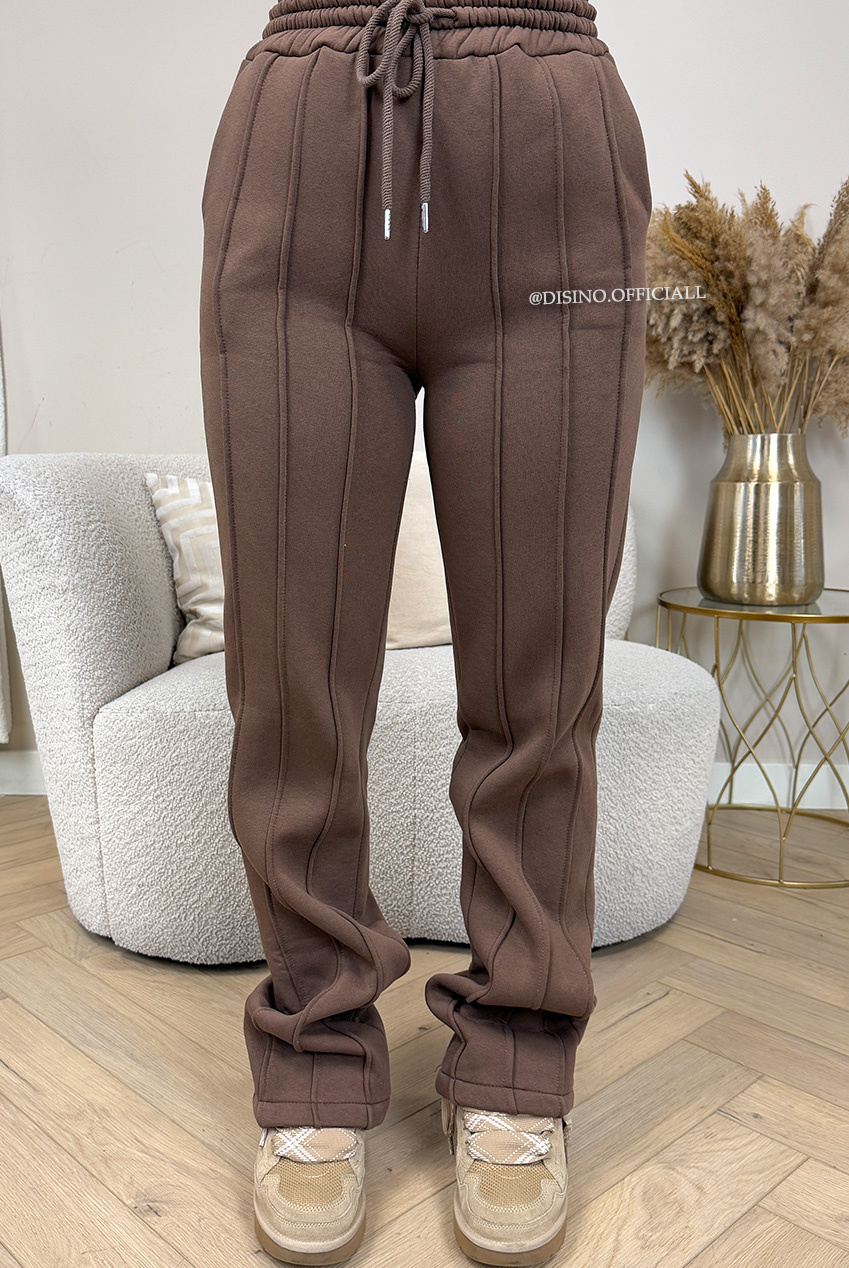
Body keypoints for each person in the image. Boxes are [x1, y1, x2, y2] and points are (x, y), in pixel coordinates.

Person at [199, 0, 651, 1261]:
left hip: (553, 137)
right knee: (289, 676)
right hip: (303, 128)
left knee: (542, 677)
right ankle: (314, 1047)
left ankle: (517, 1057)